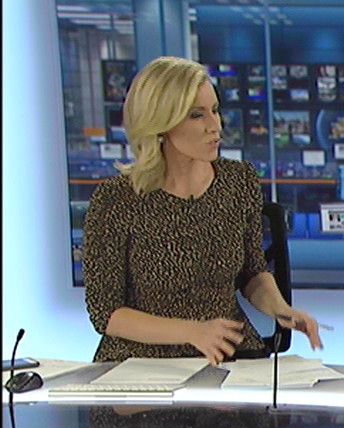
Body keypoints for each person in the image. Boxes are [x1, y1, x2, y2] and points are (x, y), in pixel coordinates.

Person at [83, 56, 323, 365]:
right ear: (161, 124)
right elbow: (106, 313)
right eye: (197, 115)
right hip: (142, 364)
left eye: (215, 110)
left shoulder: (238, 180)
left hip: (227, 355)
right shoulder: (116, 199)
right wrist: (192, 332)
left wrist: (282, 310)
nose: (215, 126)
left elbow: (252, 274)